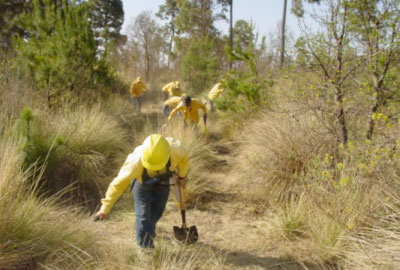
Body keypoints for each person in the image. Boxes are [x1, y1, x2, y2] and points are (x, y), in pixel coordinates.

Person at [95, 134, 189, 249]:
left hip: (163, 181)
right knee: (143, 215)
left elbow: (184, 161)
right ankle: (146, 250)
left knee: (158, 210)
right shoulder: (135, 162)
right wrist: (105, 208)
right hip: (142, 184)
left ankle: (148, 231)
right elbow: (117, 185)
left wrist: (182, 176)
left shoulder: (177, 150)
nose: (155, 169)